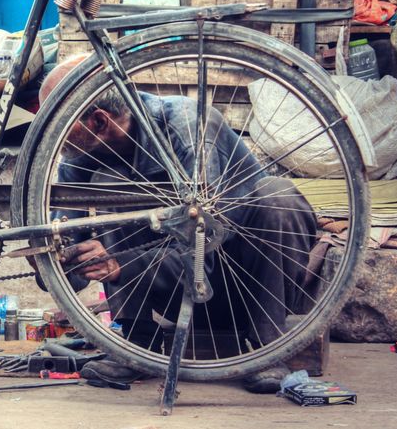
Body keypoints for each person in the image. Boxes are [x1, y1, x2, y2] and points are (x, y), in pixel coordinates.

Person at [38, 57, 317, 394]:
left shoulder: (189, 129)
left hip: (242, 282)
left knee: (278, 197)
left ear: (99, 120)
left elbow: (204, 243)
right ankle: (136, 342)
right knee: (111, 180)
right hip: (168, 289)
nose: (53, 136)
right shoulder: (80, 156)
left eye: (60, 125)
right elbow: (65, 257)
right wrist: (51, 257)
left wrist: (118, 264)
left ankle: (267, 348)